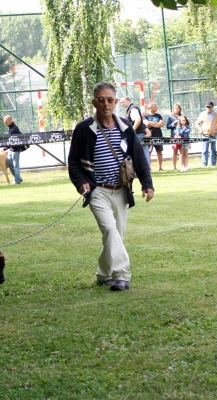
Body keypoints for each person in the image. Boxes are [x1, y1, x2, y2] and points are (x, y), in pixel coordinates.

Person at [68, 82, 154, 291]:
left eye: (109, 99)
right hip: (98, 191)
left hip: (121, 190)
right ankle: (121, 275)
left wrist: (147, 184)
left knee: (116, 235)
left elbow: (139, 157)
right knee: (109, 229)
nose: (105, 104)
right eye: (101, 99)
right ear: (94, 102)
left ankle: (104, 273)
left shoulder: (125, 127)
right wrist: (81, 183)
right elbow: (73, 163)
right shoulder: (83, 129)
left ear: (115, 102)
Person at [120, 96, 151, 165]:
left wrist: (132, 131)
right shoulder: (131, 108)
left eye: (123, 102)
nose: (122, 104)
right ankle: (146, 170)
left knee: (134, 152)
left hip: (136, 134)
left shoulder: (133, 108)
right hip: (139, 134)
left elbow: (138, 119)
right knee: (144, 151)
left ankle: (134, 171)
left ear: (128, 100)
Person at [196, 101, 217, 166]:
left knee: (213, 149)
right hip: (205, 134)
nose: (208, 108)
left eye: (209, 107)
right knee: (205, 149)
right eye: (207, 107)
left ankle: (213, 163)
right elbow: (197, 123)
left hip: (213, 133)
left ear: (212, 107)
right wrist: (200, 129)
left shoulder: (216, 115)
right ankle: (204, 163)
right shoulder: (202, 114)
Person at [3, 115, 25, 184]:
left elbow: (11, 141)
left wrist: (4, 148)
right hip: (11, 149)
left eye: (6, 122)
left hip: (16, 149)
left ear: (10, 121)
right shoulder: (10, 128)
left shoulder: (14, 129)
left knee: (16, 165)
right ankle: (18, 178)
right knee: (10, 164)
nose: (5, 124)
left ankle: (17, 180)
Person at [143, 102, 165, 171]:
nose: (156, 108)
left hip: (158, 135)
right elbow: (147, 123)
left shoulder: (158, 115)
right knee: (149, 152)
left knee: (159, 151)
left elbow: (161, 124)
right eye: (155, 107)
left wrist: (151, 124)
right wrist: (156, 124)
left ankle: (160, 167)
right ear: (150, 107)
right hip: (149, 136)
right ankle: (149, 167)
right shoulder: (145, 115)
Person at [166, 103, 183, 170]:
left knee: (182, 151)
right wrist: (174, 123)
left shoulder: (182, 116)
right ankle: (174, 167)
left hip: (181, 135)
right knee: (175, 151)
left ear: (179, 109)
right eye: (175, 108)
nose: (176, 109)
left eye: (177, 108)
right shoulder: (170, 117)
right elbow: (168, 126)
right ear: (173, 109)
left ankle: (182, 166)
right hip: (174, 135)